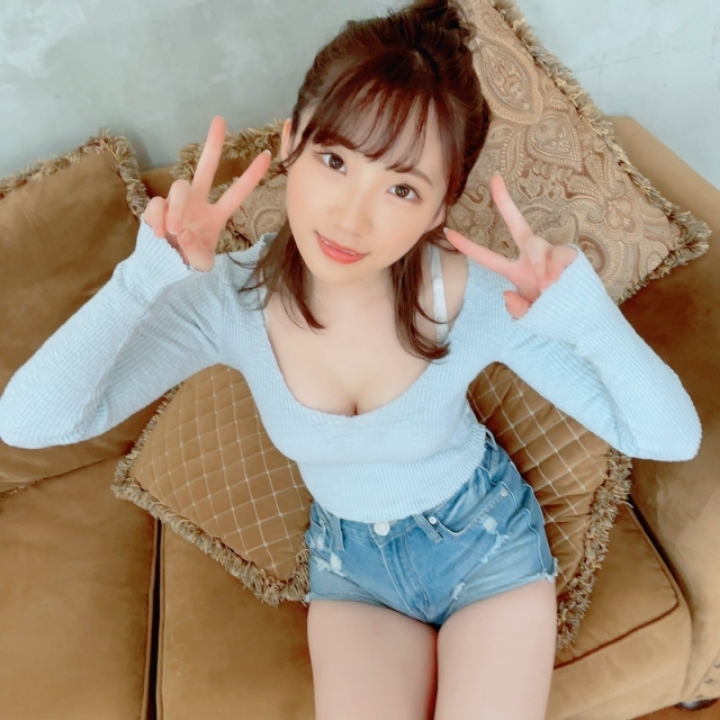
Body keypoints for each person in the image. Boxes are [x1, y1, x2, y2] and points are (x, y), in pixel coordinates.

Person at [0, 1, 701, 718]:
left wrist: (589, 320)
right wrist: (142, 280)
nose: (350, 217)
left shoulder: (477, 299)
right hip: (354, 572)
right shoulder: (227, 301)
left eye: (402, 188)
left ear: (439, 210)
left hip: (487, 550)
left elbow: (669, 437)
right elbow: (28, 422)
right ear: (292, 142)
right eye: (335, 160)